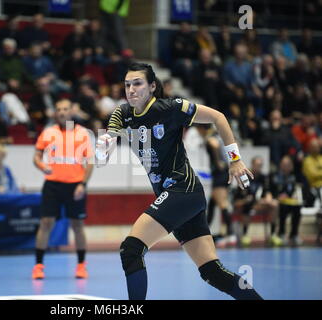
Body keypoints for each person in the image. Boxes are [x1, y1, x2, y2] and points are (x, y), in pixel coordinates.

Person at [97, 62, 262, 300]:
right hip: (178, 198)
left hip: (182, 189)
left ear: (152, 86)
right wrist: (103, 149)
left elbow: (218, 117)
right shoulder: (122, 113)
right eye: (127, 85)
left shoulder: (171, 108)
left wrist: (234, 160)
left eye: (137, 83)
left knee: (131, 249)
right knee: (211, 272)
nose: (131, 89)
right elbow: (109, 142)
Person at [32, 98, 94, 280]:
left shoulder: (83, 134)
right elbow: (36, 156)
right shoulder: (48, 133)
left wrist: (83, 184)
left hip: (75, 186)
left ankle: (81, 265)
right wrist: (43, 166)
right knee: (45, 223)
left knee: (77, 225)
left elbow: (89, 162)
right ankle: (38, 266)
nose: (61, 112)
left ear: (71, 112)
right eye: (58, 109)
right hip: (52, 185)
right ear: (55, 113)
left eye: (65, 109)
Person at [196, 124, 236, 248]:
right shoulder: (215, 136)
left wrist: (218, 161)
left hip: (220, 174)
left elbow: (214, 144)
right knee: (212, 204)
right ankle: (204, 234)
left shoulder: (211, 137)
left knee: (222, 204)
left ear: (202, 129)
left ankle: (231, 233)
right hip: (220, 174)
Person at [233, 156, 282, 247]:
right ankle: (245, 234)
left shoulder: (265, 178)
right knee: (247, 205)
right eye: (257, 165)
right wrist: (248, 200)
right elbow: (239, 198)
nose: (258, 167)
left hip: (261, 203)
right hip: (248, 204)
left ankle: (273, 234)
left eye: (260, 165)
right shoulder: (245, 177)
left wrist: (268, 198)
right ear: (252, 165)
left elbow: (268, 191)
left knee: (274, 204)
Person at [270, 155, 303, 246]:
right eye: (284, 164)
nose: (286, 166)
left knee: (297, 208)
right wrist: (278, 196)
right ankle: (282, 233)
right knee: (283, 209)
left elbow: (294, 189)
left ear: (291, 166)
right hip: (277, 201)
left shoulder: (293, 176)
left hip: (289, 201)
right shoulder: (274, 176)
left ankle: (294, 234)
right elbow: (270, 189)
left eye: (288, 164)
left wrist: (290, 196)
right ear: (280, 165)